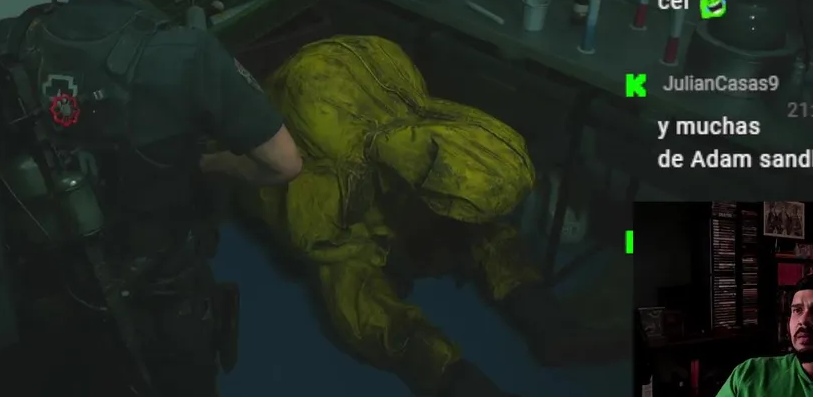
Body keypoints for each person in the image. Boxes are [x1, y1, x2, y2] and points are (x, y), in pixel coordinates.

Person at [0, 0, 302, 396]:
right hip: (167, 307)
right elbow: (285, 163)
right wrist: (215, 165)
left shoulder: (13, 40)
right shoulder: (188, 53)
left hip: (66, 297)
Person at [238, 35, 625, 397]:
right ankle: (454, 379)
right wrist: (384, 248)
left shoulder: (404, 93)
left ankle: (550, 327)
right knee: (354, 291)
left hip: (379, 166)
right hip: (323, 201)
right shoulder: (316, 136)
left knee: (485, 232)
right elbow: (304, 233)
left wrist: (424, 229)